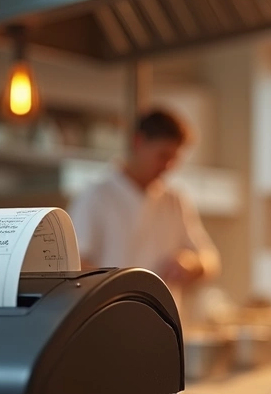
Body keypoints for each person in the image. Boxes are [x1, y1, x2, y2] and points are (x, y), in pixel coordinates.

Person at [68, 109, 220, 297]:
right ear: (138, 142)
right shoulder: (96, 197)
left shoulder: (175, 200)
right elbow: (75, 266)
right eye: (163, 156)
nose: (168, 166)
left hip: (165, 321)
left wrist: (190, 264)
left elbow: (210, 260)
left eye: (174, 159)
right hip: (111, 317)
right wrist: (121, 289)